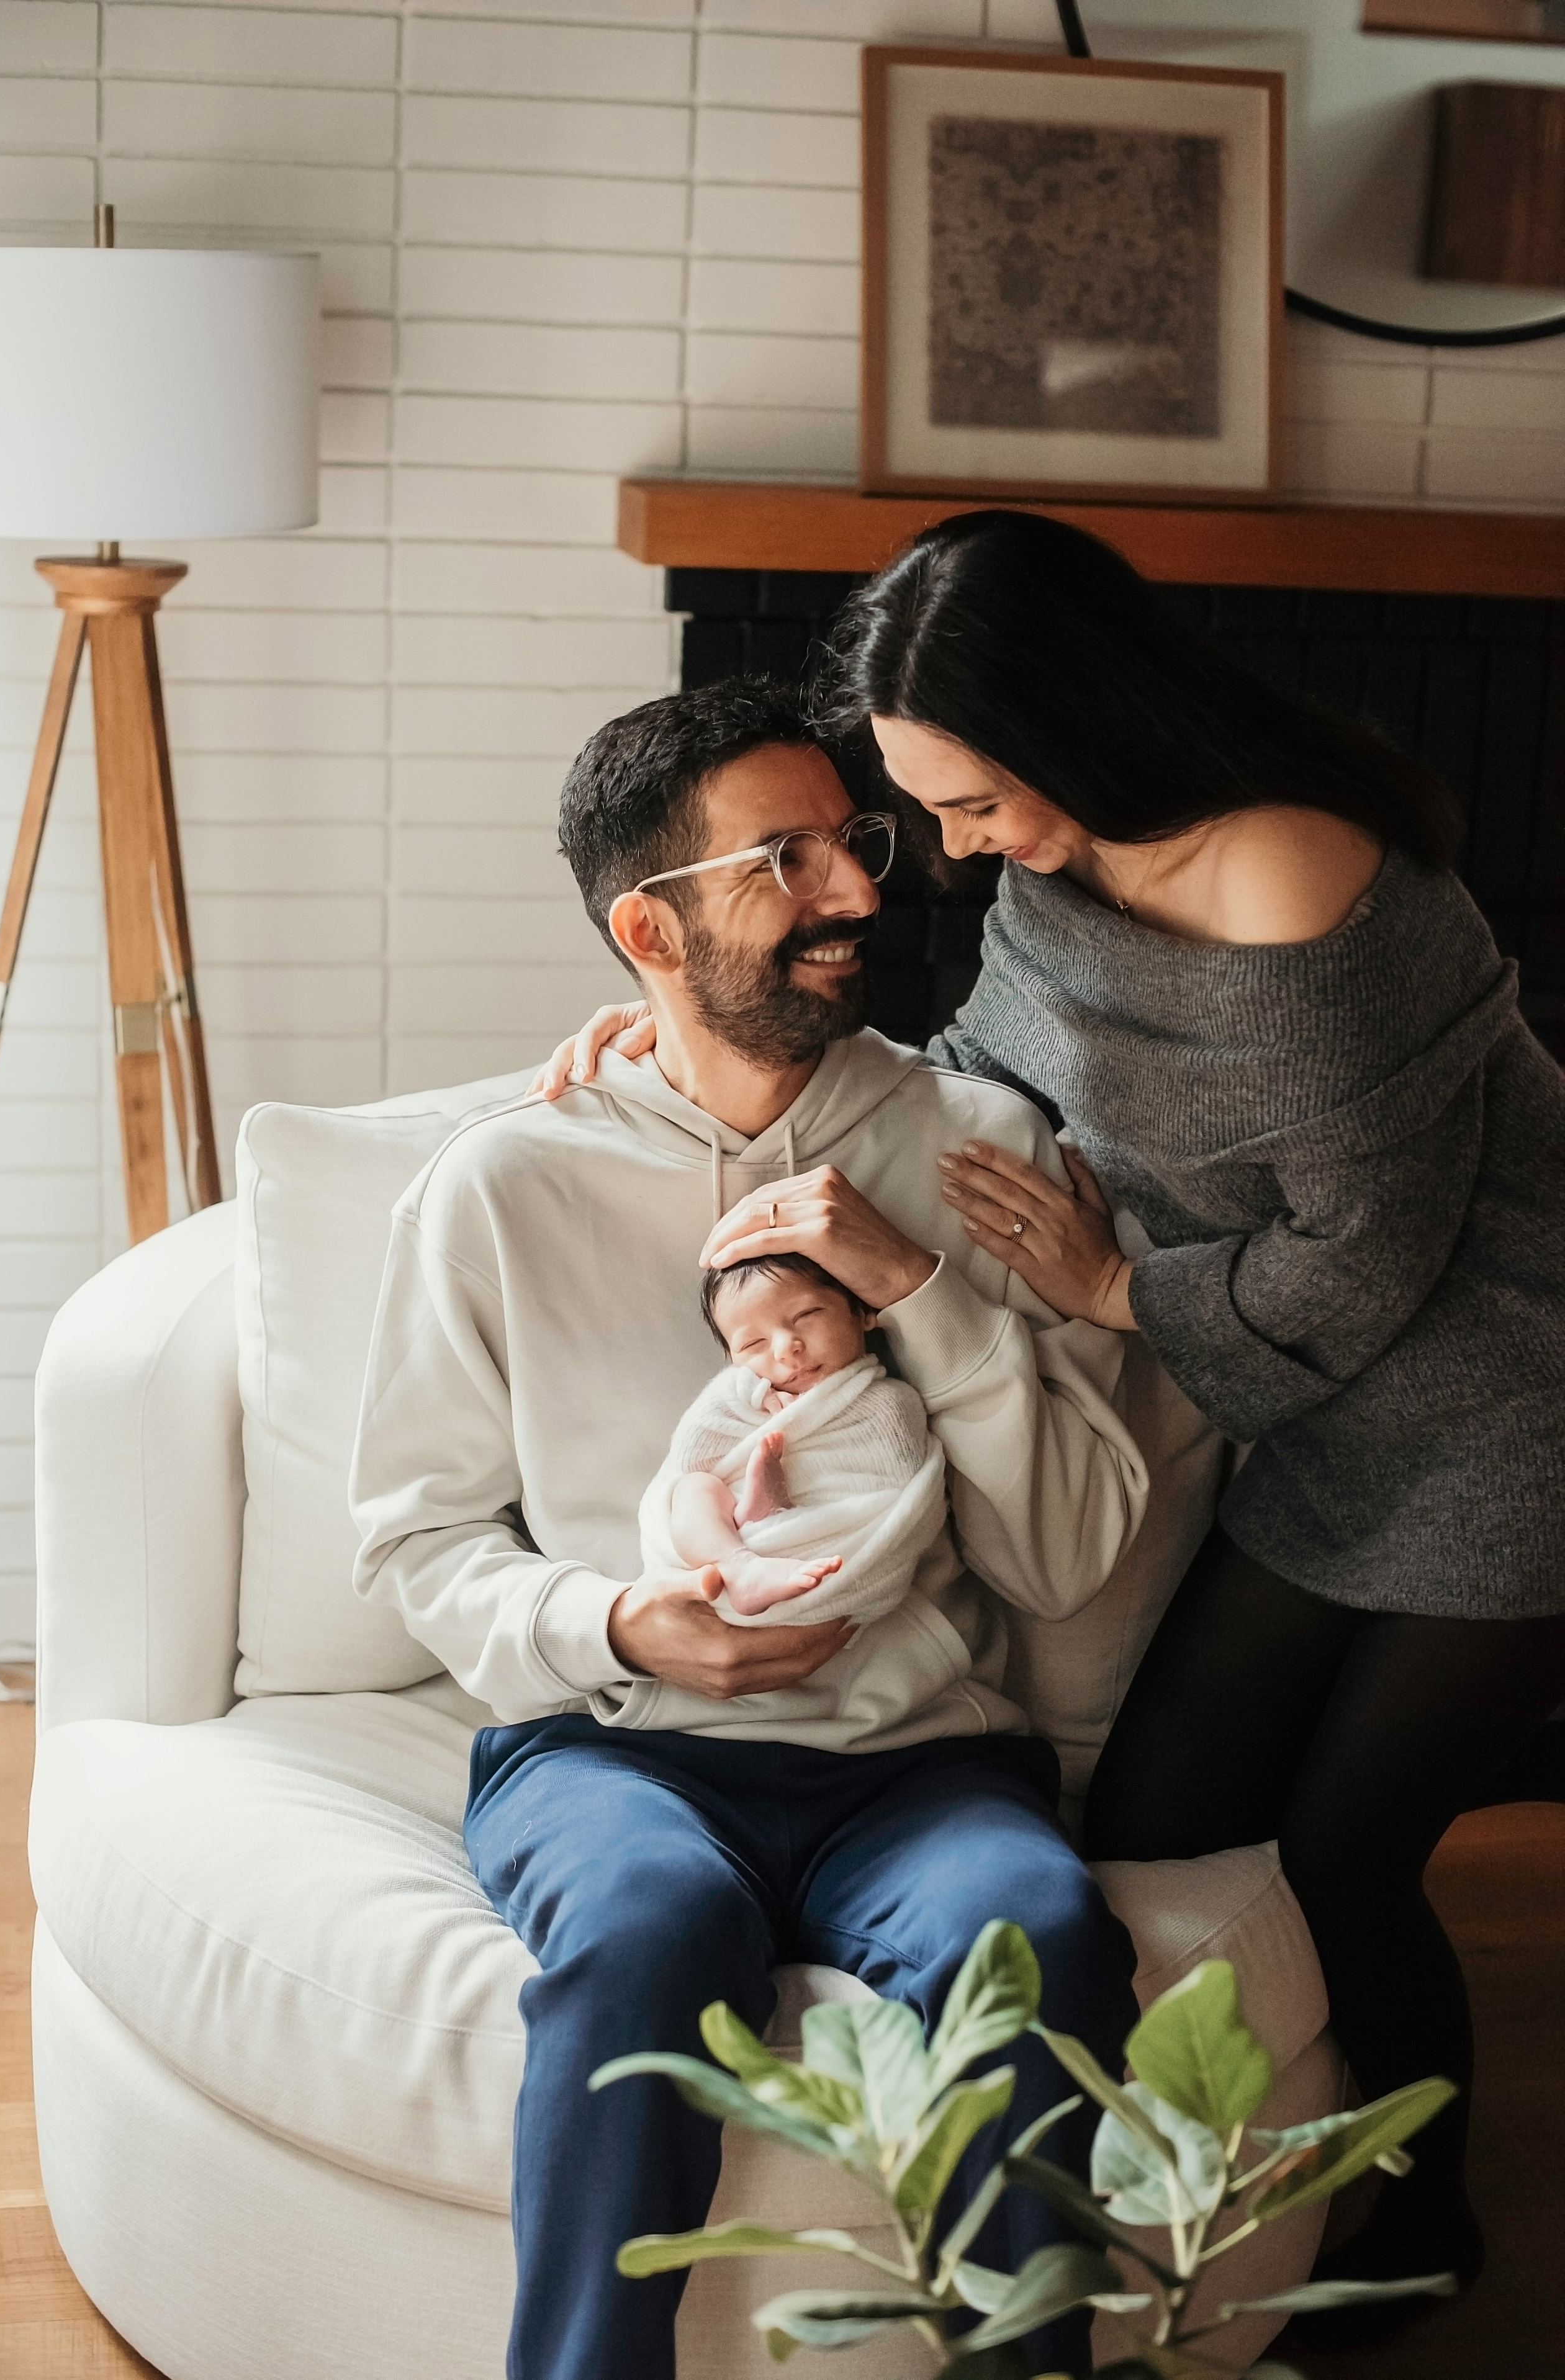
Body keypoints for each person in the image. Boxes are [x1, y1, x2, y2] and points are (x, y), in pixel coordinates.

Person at [543, 511, 1565, 2353]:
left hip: (1505, 1414)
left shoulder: (1315, 894)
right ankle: (1157, 2235)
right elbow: (985, 1071)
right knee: (1159, 1816)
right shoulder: (1062, 861)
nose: (952, 851)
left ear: (1085, 728)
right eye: (928, 810)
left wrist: (1107, 1299)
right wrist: (660, 1021)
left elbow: (1358, 1269)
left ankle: (1413, 2248)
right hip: (1313, 1432)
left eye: (976, 802)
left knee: (1339, 1862)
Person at [349, 676, 1150, 2380]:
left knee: (1044, 1935)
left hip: (920, 1764)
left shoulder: (980, 1147)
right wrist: (623, 1629)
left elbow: (1072, 1557)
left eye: (852, 842)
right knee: (643, 1931)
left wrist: (919, 1291)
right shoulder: (503, 1180)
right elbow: (417, 1540)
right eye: (785, 861)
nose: (862, 892)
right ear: (650, 927)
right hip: (615, 1755)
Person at [643, 1251, 944, 1623]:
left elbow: (901, 1482)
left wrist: (801, 1513)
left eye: (806, 1316)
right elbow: (692, 1457)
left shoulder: (889, 1400)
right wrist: (745, 1394)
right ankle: (740, 1564)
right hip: (732, 1546)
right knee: (694, 1489)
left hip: (834, 1538)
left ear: (862, 1311)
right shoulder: (742, 1398)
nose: (787, 1348)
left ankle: (770, 1513)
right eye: (754, 1344)